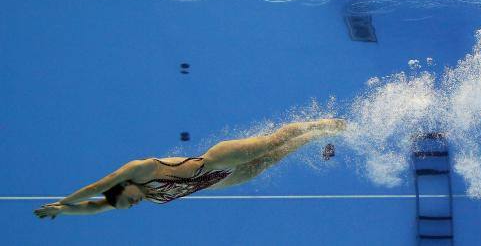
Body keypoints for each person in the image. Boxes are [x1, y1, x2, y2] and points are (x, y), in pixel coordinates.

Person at [33, 119, 345, 218]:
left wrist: (64, 199)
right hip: (221, 181)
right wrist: (63, 211)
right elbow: (94, 207)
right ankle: (317, 136)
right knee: (274, 158)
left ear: (123, 186)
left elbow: (96, 189)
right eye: (129, 206)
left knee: (271, 143)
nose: (135, 203)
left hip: (215, 161)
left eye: (129, 200)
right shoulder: (136, 195)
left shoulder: (139, 171)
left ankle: (322, 123)